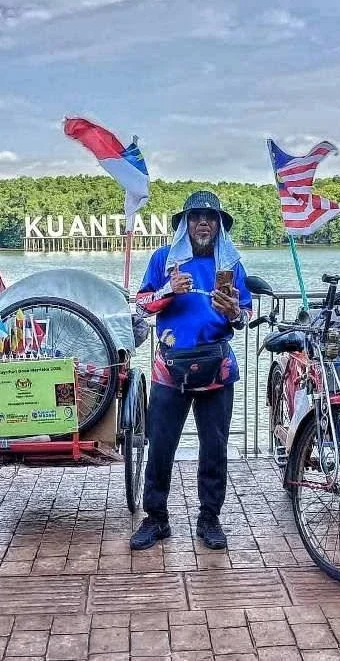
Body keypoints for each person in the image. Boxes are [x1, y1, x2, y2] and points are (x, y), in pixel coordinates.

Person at [130, 190, 252, 551]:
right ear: (185, 224)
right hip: (170, 366)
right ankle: (156, 518)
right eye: (196, 216)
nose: (203, 223)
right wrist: (168, 289)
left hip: (217, 366)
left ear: (218, 226)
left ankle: (209, 518)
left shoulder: (230, 265)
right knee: (160, 446)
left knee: (214, 447)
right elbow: (142, 305)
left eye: (210, 217)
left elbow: (245, 315)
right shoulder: (163, 259)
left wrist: (234, 312)